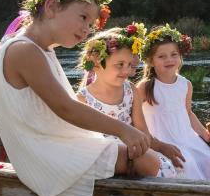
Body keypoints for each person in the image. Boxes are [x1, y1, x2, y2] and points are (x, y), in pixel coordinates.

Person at [0, 0, 149, 196]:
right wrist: (123, 129)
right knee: (147, 161)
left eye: (91, 24)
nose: (87, 29)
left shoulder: (41, 49)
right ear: (52, 7)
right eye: (83, 17)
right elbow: (65, 107)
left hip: (52, 145)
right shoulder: (23, 50)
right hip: (45, 154)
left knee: (141, 155)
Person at [75, 24, 183, 178]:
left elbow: (142, 131)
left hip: (134, 148)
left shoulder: (130, 90)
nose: (126, 71)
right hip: (105, 155)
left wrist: (158, 147)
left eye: (129, 65)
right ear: (96, 63)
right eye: (120, 65)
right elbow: (83, 140)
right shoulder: (83, 98)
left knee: (164, 167)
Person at [136, 24, 210, 181]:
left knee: (208, 158)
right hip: (161, 140)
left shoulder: (185, 84)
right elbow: (134, 116)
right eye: (161, 56)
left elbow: (188, 113)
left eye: (174, 54)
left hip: (185, 137)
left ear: (180, 57)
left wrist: (203, 133)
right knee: (186, 164)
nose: (169, 59)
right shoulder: (146, 86)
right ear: (151, 61)